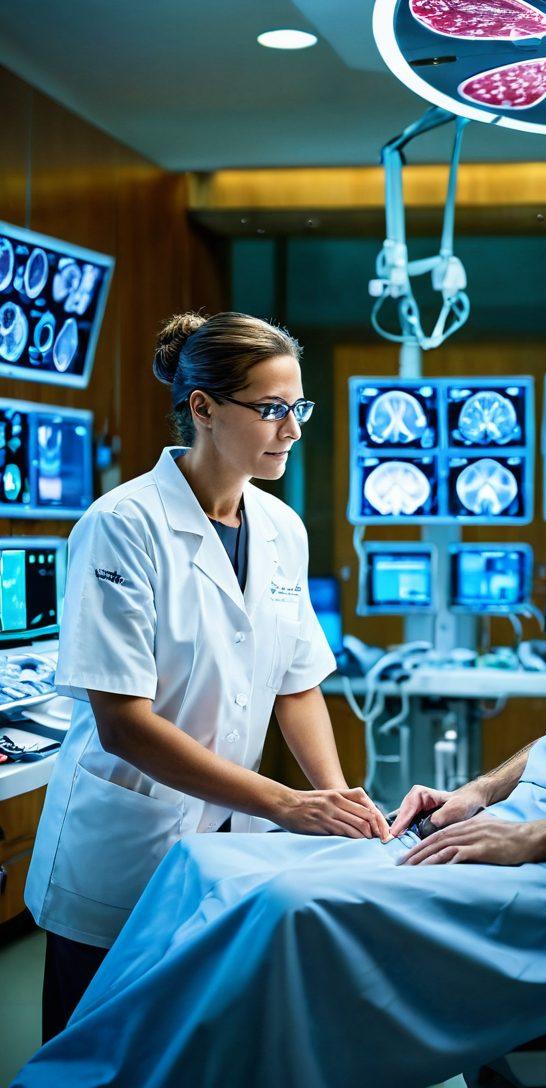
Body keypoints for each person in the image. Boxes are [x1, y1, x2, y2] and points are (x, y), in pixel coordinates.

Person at [15, 360, 546, 1088]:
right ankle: (80, 1074)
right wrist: (481, 797)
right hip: (534, 842)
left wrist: (526, 839)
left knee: (288, 913)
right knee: (209, 870)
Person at [24, 310, 388, 1042]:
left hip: (226, 838)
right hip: (129, 843)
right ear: (204, 409)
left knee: (196, 1045)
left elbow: (298, 683)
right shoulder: (122, 524)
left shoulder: (282, 529)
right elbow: (124, 725)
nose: (292, 429)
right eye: (272, 410)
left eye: (298, 407)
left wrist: (332, 794)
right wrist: (286, 805)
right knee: (95, 1051)